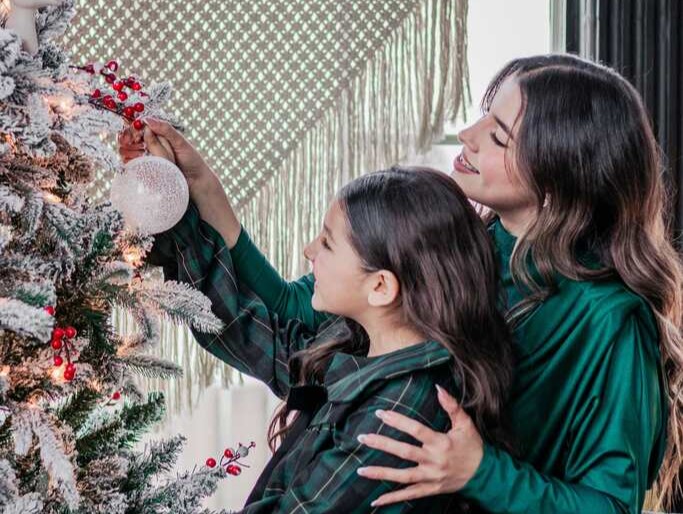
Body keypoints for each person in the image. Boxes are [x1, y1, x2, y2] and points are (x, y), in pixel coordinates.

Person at [119, 53, 682, 514]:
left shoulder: (611, 321)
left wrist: (481, 472)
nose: (467, 132)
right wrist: (204, 194)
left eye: (499, 135)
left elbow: (609, 505)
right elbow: (301, 324)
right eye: (485, 115)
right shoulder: (469, 247)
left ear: (559, 173)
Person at [144, 162, 515, 511]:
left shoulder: (396, 416)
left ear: (381, 286)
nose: (309, 250)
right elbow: (246, 330)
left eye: (327, 243)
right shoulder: (361, 346)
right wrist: (179, 209)